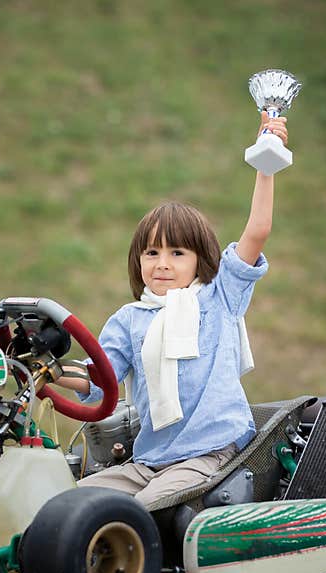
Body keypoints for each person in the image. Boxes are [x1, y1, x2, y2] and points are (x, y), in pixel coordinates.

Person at [56, 111, 290, 509]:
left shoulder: (220, 296)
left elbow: (257, 231)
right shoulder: (129, 319)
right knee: (69, 503)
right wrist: (48, 371)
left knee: (141, 508)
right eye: (151, 252)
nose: (162, 263)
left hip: (213, 454)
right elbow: (101, 380)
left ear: (200, 260)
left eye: (177, 252)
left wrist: (266, 163)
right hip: (150, 461)